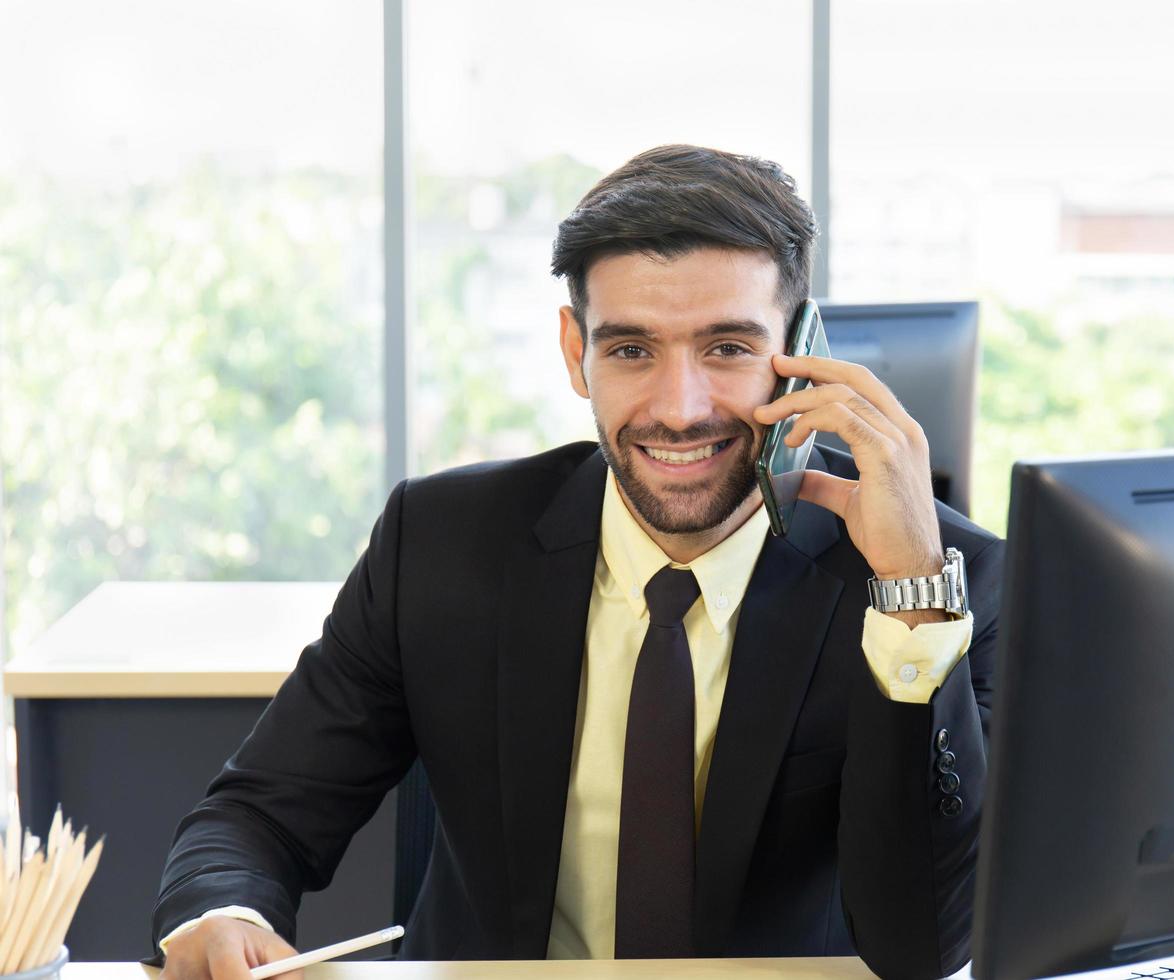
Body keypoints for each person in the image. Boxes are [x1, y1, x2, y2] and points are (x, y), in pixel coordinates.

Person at [153, 145, 1003, 980]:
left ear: (803, 348)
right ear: (575, 353)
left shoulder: (939, 581)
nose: (680, 410)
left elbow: (926, 945)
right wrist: (225, 910)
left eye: (727, 349)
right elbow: (261, 812)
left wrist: (911, 599)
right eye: (632, 350)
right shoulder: (443, 543)